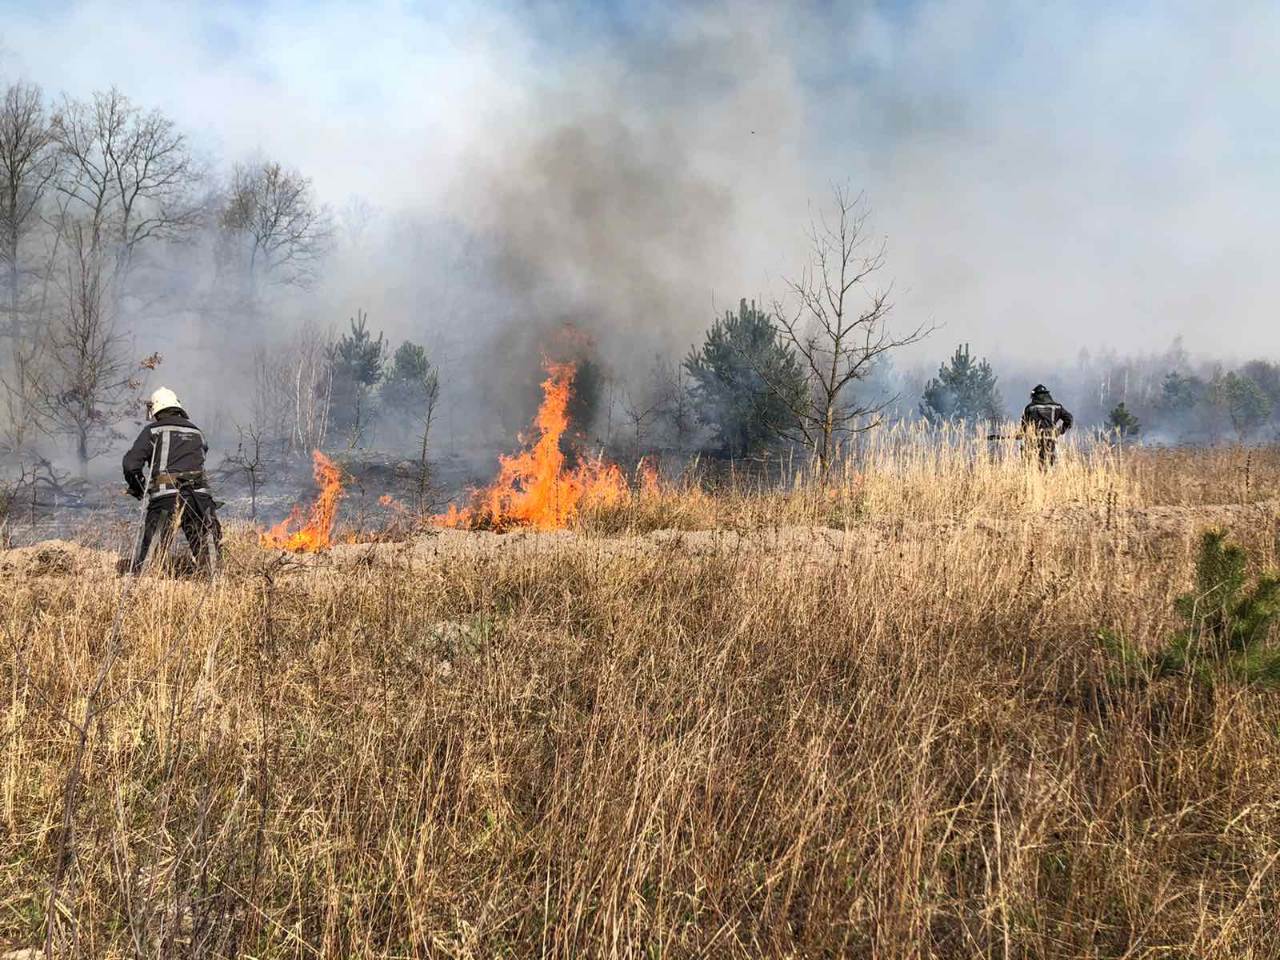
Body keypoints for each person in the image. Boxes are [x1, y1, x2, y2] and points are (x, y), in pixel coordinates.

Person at [122, 386, 222, 575]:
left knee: (149, 557)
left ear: (156, 409)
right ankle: (217, 592)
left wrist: (139, 487)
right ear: (177, 407)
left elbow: (130, 465)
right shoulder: (197, 432)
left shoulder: (153, 430)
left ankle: (141, 587)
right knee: (210, 556)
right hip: (200, 498)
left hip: (166, 497)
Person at [1021, 384, 1074, 466]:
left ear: (1035, 396)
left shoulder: (1030, 408)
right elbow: (1069, 419)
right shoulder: (1057, 407)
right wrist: (1059, 431)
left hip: (1034, 440)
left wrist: (1027, 435)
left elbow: (1024, 427)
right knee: (1048, 464)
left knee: (1032, 464)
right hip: (1050, 440)